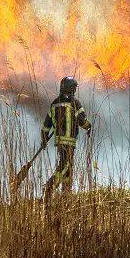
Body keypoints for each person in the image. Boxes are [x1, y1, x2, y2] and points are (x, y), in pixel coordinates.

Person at [41, 75, 92, 203]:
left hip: (59, 142)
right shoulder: (75, 103)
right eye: (74, 88)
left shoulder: (54, 103)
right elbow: (82, 120)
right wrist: (89, 127)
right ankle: (49, 187)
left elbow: (46, 126)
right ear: (72, 89)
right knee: (65, 166)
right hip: (69, 142)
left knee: (68, 168)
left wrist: (44, 139)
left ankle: (66, 194)